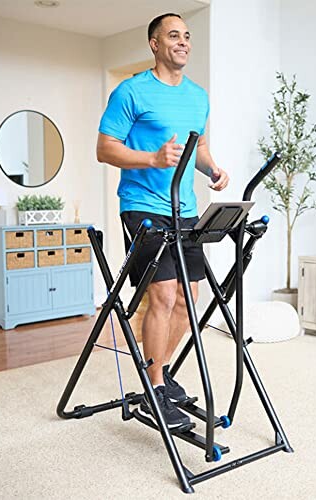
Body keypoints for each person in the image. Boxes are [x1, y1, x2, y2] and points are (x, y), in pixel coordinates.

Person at [97, 13, 229, 428]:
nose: (183, 42)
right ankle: (154, 388)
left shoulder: (197, 96)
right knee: (164, 297)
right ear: (155, 44)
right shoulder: (131, 91)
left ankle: (160, 371)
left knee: (189, 304)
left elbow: (200, 145)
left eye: (187, 36)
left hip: (185, 208)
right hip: (142, 205)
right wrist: (151, 159)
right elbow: (105, 149)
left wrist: (212, 170)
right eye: (174, 35)